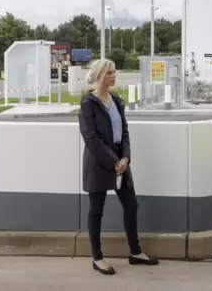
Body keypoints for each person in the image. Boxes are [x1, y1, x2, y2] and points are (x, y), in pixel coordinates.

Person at [78, 58, 158, 275]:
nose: (114, 76)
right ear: (99, 76)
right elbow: (91, 138)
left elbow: (124, 133)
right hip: (100, 162)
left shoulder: (116, 100)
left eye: (114, 72)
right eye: (110, 73)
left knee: (131, 205)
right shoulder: (88, 103)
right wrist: (113, 161)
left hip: (120, 162)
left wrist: (125, 157)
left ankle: (135, 252)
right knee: (96, 211)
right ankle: (97, 257)